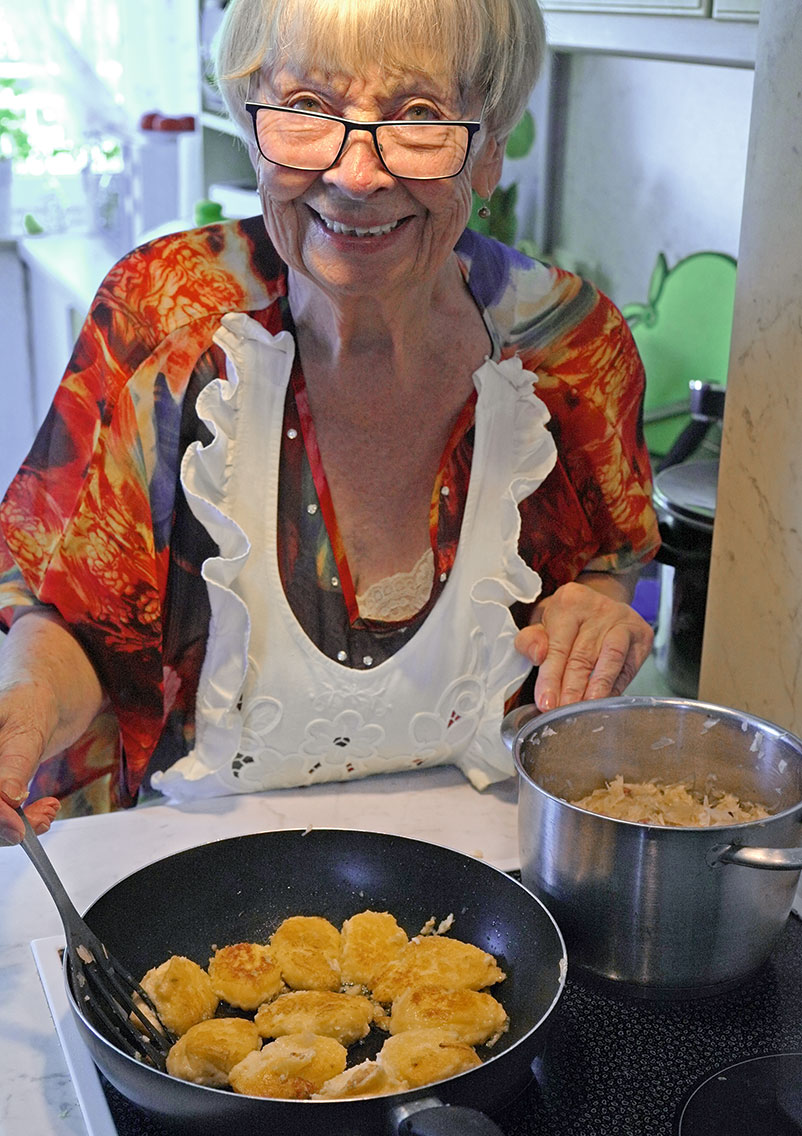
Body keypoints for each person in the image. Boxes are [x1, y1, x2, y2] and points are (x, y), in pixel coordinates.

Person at [0, 0, 659, 847]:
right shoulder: (162, 321)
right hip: (190, 870)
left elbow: (609, 565)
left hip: (488, 876)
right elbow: (75, 627)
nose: (356, 175)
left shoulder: (570, 350)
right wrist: (22, 710)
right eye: (308, 108)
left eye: (419, 117)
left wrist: (598, 623)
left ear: (490, 149)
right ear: (251, 120)